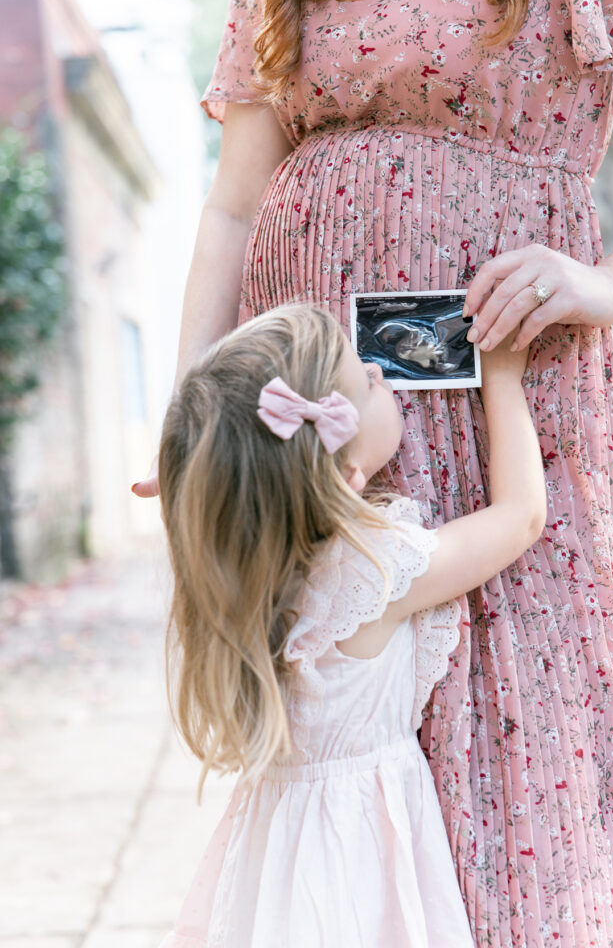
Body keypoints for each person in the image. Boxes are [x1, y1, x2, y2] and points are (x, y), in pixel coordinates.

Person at [133, 0, 613, 942]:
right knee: (337, 717)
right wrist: (195, 425)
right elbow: (232, 206)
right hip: (314, 413)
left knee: (521, 728)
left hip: (510, 384)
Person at [157, 303, 546, 948]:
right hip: (358, 846)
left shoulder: (240, 576)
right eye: (365, 381)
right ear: (345, 472)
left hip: (277, 846)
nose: (376, 368)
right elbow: (522, 517)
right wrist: (502, 376)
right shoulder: (372, 568)